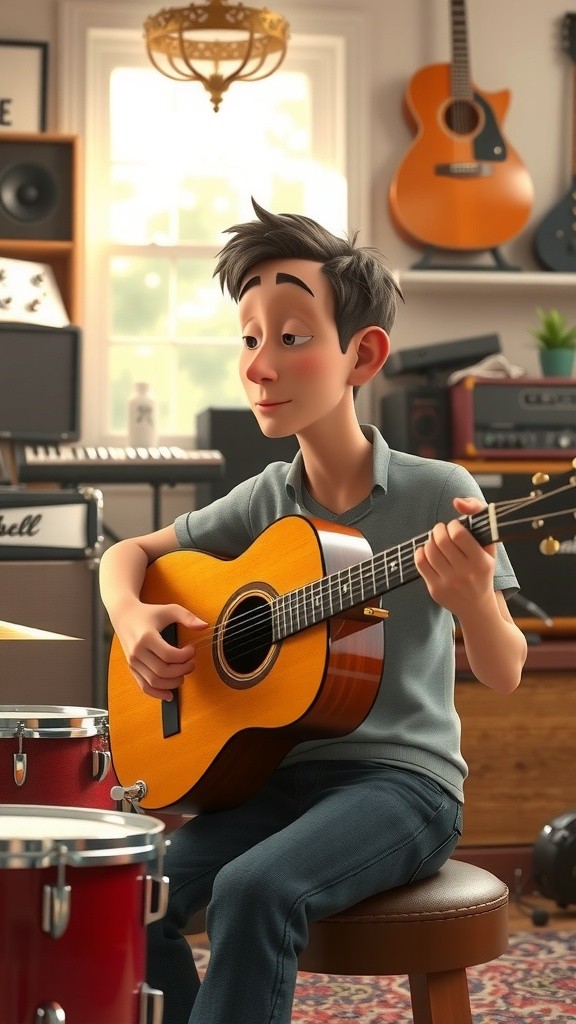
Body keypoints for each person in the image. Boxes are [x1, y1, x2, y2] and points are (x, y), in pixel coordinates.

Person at [99, 199, 527, 1024]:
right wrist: (131, 617)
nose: (260, 367)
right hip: (273, 779)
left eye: (292, 337)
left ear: (361, 355)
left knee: (253, 888)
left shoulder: (442, 494)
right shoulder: (266, 499)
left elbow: (504, 671)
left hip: (404, 787)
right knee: (134, 894)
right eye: (250, 338)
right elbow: (129, 555)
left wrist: (473, 599)